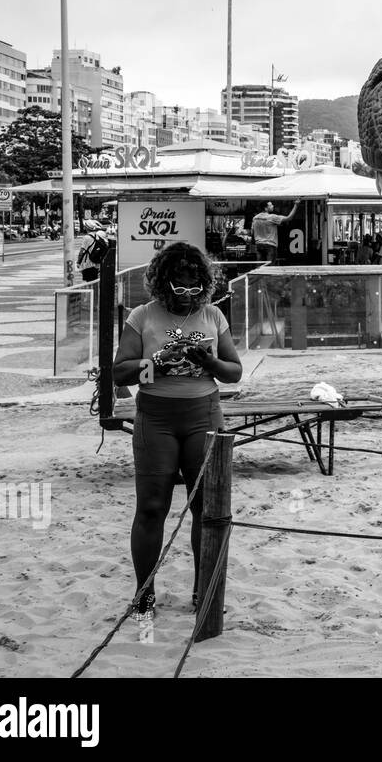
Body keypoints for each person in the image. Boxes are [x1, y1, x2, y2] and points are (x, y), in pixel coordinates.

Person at [111, 242, 243, 621]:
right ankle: (144, 594)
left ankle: (204, 591)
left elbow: (234, 372)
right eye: (178, 288)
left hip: (204, 413)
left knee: (206, 508)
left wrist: (210, 360)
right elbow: (120, 372)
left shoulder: (213, 316)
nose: (187, 297)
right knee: (152, 508)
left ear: (204, 285)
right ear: (162, 283)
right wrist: (157, 364)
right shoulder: (142, 316)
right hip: (156, 416)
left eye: (194, 289)